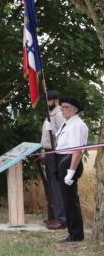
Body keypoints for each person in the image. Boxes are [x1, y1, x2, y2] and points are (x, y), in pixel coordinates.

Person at [56, 96, 88, 242]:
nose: (63, 109)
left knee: (70, 200)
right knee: (67, 199)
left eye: (66, 107)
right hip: (63, 159)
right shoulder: (67, 123)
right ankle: (72, 231)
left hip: (70, 161)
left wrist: (71, 172)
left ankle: (76, 234)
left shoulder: (76, 125)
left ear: (75, 110)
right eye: (61, 107)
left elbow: (77, 151)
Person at [40, 90, 66, 230]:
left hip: (56, 152)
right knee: (52, 186)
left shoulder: (59, 114)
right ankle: (55, 215)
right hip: (49, 152)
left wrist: (55, 151)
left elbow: (62, 134)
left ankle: (62, 219)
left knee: (57, 186)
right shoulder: (51, 114)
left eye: (48, 100)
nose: (46, 103)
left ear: (55, 100)